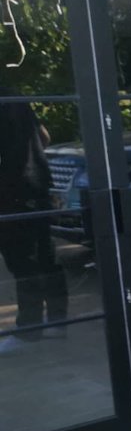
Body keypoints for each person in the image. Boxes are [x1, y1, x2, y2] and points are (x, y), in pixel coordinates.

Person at [0, 94, 68, 354]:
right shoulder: (14, 98)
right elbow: (44, 136)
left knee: (22, 260)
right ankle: (58, 321)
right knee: (45, 254)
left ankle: (29, 330)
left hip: (11, 190)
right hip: (37, 184)